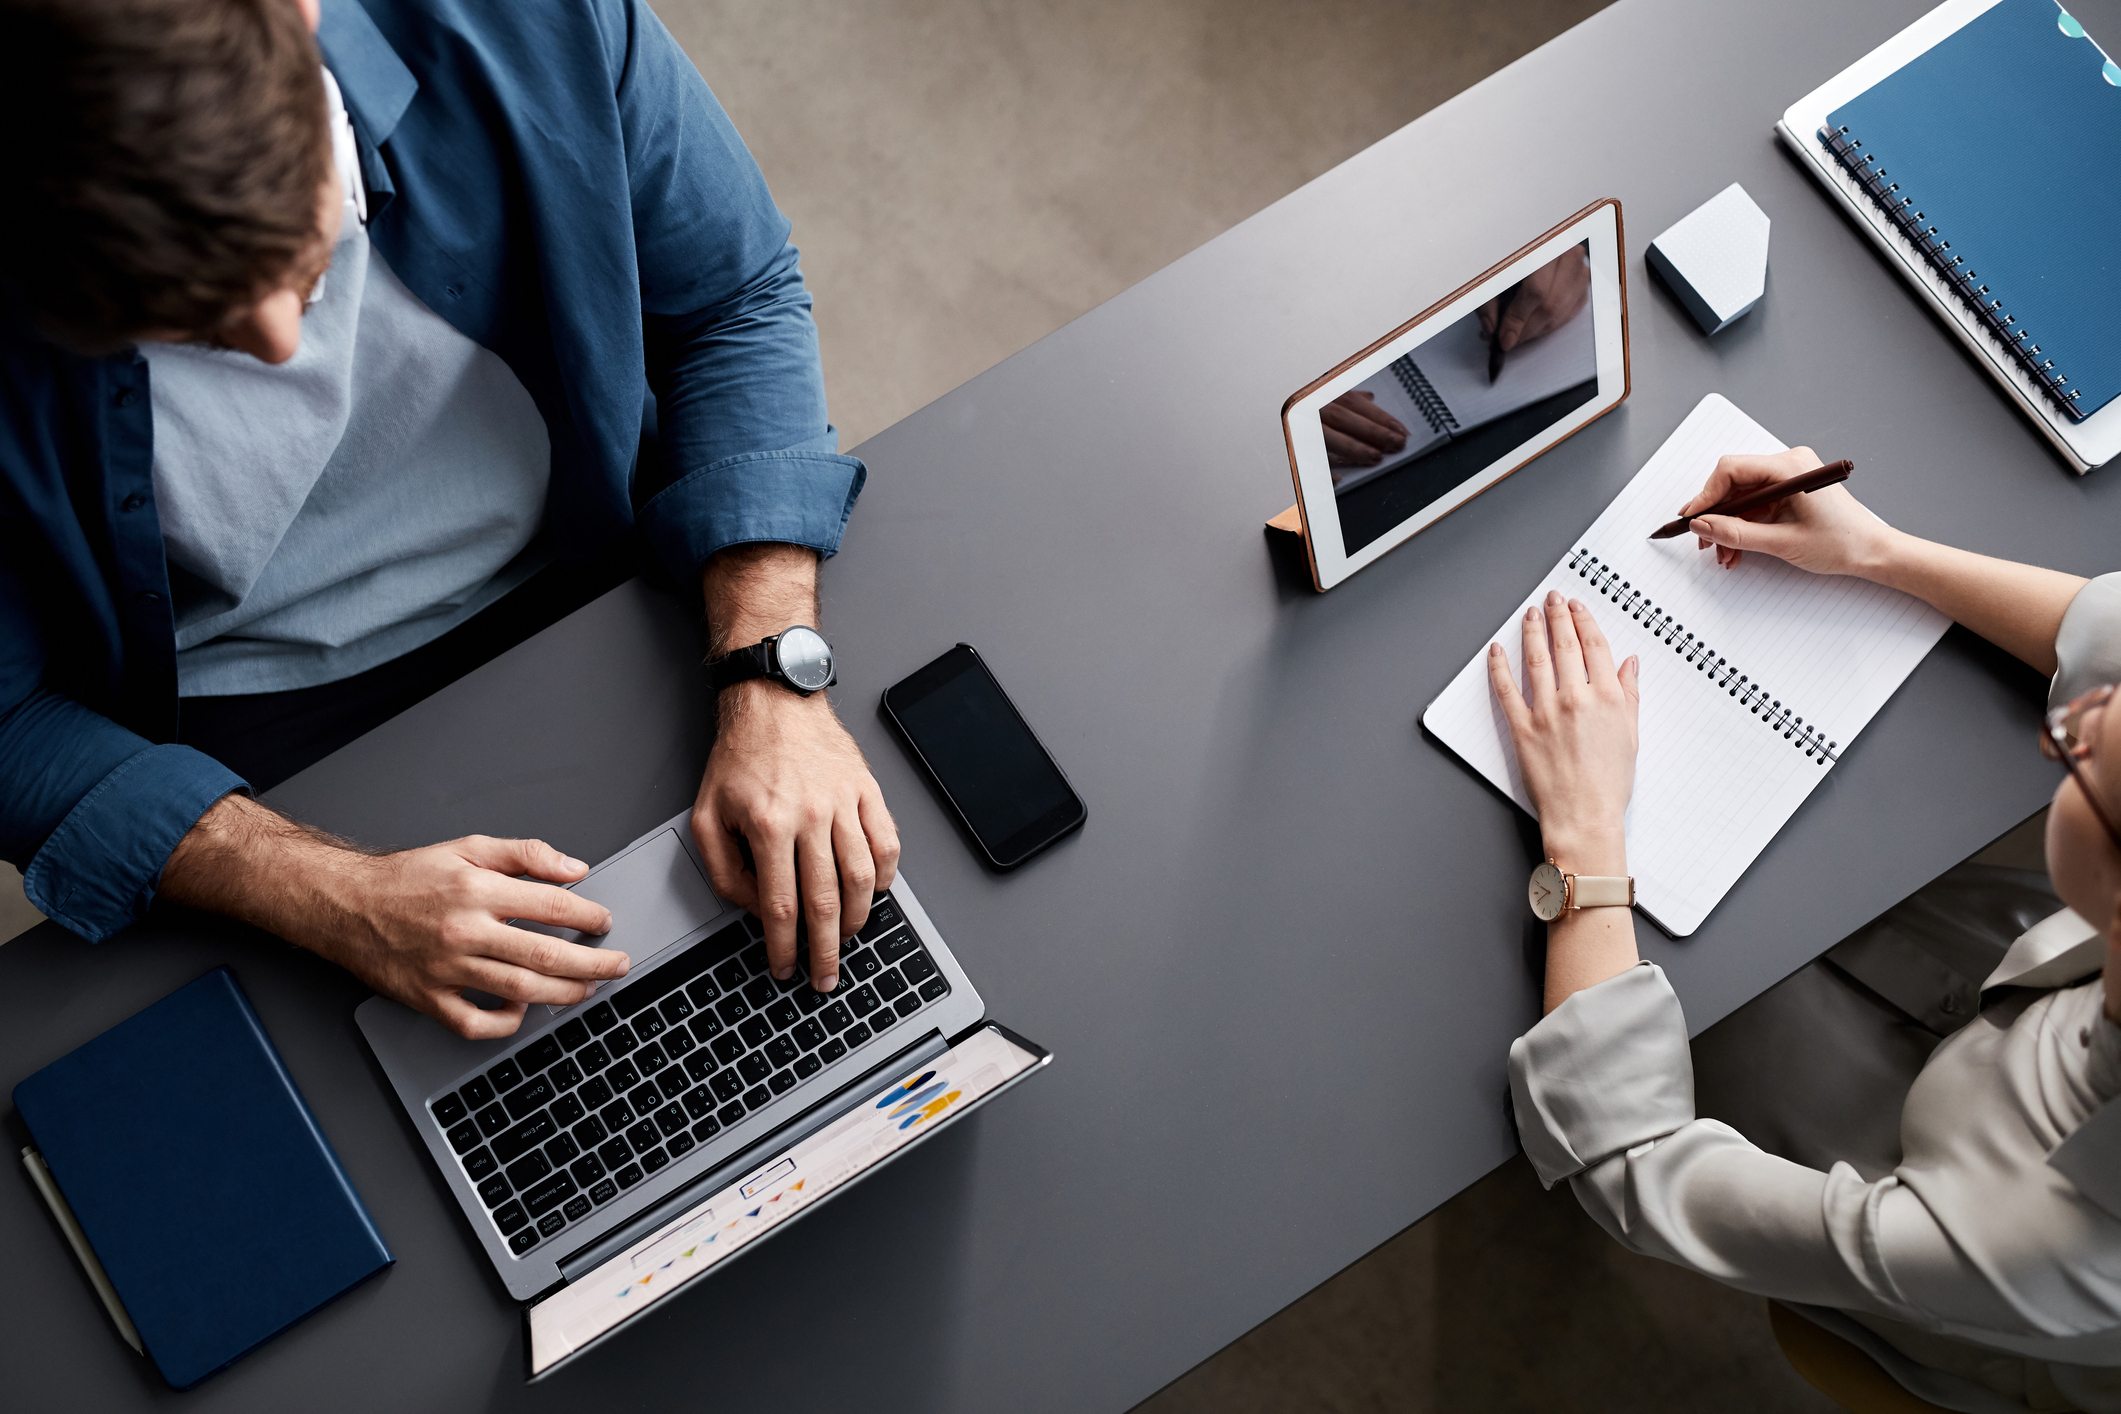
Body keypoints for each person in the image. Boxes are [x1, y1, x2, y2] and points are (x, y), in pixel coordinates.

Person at [0, 0, 898, 1040]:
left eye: (305, 244)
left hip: (600, 556)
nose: (281, 343)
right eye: (190, 325)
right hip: (241, 724)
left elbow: (731, 302)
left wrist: (772, 669)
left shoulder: (529, 19)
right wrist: (329, 894)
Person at [1494, 445, 2121, 1411]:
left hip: (1908, 1203)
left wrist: (1580, 831)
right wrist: (1878, 551)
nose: (2085, 722)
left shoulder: (2029, 1240)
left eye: (2081, 758)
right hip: (2012, 975)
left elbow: (1630, 1164)